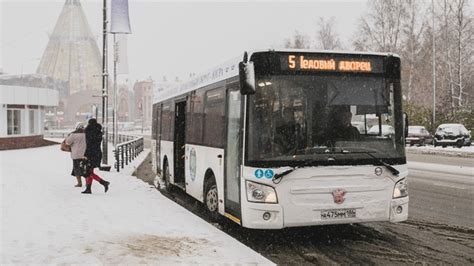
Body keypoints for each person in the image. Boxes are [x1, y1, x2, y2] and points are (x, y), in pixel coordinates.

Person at [82, 118, 110, 194]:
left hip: (89, 154)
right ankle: (88, 189)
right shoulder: (99, 132)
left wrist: (85, 154)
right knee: (90, 171)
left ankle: (104, 182)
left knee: (88, 172)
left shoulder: (88, 131)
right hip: (97, 153)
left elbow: (87, 144)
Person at [65, 123, 87, 187]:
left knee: (77, 169)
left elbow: (67, 142)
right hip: (85, 155)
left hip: (76, 155)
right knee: (85, 169)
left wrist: (68, 137)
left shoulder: (73, 134)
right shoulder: (86, 134)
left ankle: (79, 183)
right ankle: (87, 182)